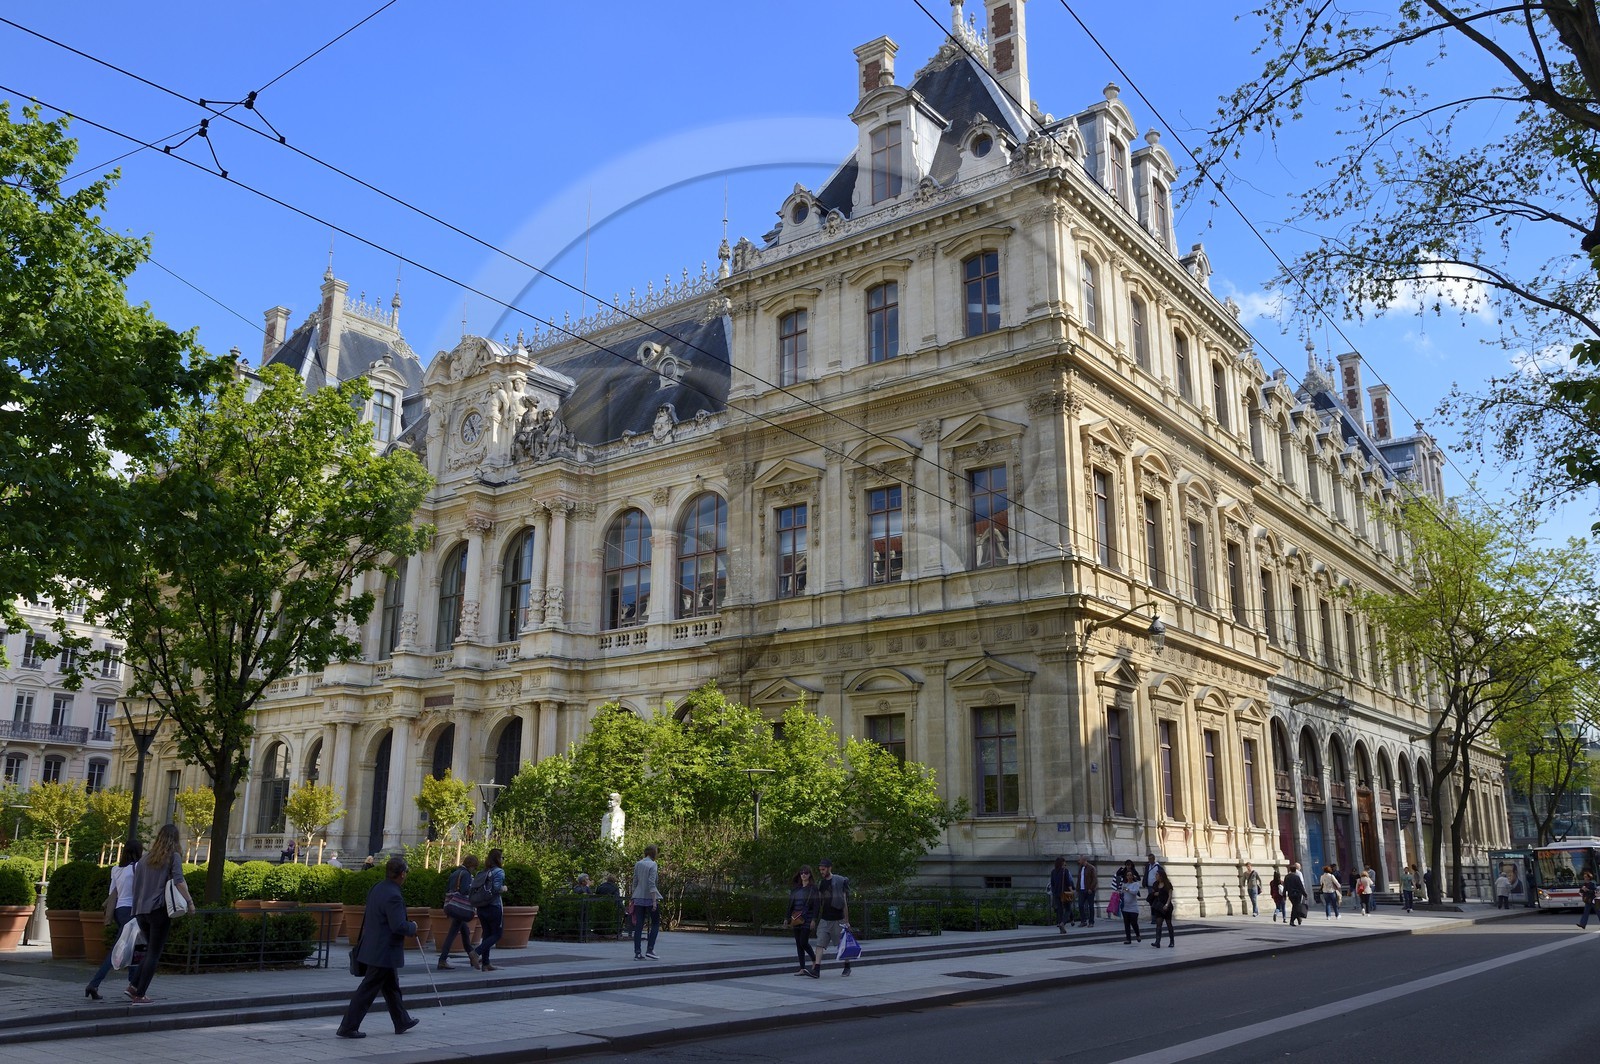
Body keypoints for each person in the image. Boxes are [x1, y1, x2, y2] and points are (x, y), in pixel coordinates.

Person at [336, 855, 420, 1039]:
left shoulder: (378, 888)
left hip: (375, 947)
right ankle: (348, 1026)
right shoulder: (394, 895)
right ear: (402, 874)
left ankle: (401, 1020)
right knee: (368, 989)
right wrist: (413, 927)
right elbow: (398, 925)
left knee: (391, 987)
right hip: (384, 950)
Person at [127, 824, 193, 1004]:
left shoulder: (144, 859)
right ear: (176, 839)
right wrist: (189, 902)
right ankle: (140, 993)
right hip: (158, 910)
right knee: (154, 953)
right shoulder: (173, 857)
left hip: (141, 911)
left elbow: (137, 887)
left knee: (150, 950)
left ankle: (133, 986)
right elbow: (179, 881)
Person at [85, 840, 142, 1000]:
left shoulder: (116, 869)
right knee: (121, 948)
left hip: (119, 910)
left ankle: (133, 985)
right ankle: (95, 983)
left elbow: (112, 893)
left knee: (133, 948)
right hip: (132, 911)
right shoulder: (137, 867)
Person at [436, 853, 478, 970]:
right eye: (474, 867)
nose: (474, 870)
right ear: (471, 866)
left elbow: (449, 889)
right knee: (452, 934)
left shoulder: (455, 873)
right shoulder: (466, 874)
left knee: (465, 932)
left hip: (452, 905)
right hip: (460, 907)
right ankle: (442, 960)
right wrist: (473, 888)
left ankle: (471, 955)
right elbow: (464, 890)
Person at [811, 858, 851, 977]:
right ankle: (817, 969)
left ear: (829, 868)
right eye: (820, 870)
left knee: (841, 945)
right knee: (820, 943)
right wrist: (814, 918)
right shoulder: (822, 883)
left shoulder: (839, 881)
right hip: (825, 919)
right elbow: (819, 901)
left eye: (823, 869)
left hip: (838, 919)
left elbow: (844, 902)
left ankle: (847, 966)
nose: (821, 872)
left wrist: (847, 921)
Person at [470, 848, 506, 971]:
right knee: (497, 934)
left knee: (487, 934)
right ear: (497, 859)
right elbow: (496, 889)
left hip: (481, 907)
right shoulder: (499, 872)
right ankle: (476, 953)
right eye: (502, 857)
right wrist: (504, 888)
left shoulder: (483, 872)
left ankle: (486, 963)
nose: (502, 859)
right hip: (494, 907)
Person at [632, 844, 663, 961]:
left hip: (638, 897)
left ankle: (637, 952)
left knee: (639, 925)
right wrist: (654, 901)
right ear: (654, 853)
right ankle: (650, 949)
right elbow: (651, 883)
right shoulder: (653, 864)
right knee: (655, 923)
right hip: (650, 897)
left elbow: (635, 881)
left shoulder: (638, 864)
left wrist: (633, 896)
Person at [787, 866, 819, 976]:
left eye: (806, 873)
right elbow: (790, 904)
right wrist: (787, 918)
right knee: (798, 943)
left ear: (809, 874)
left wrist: (814, 919)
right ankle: (802, 968)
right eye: (801, 873)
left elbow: (816, 905)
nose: (803, 875)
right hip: (796, 917)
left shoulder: (813, 888)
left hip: (807, 917)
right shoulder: (796, 889)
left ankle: (815, 959)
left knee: (803, 942)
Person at [1148, 869, 1176, 948]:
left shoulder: (1168, 884)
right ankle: (1157, 942)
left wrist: (1167, 904)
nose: (1155, 876)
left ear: (1161, 876)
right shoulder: (1155, 884)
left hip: (1167, 906)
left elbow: (1170, 895)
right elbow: (1153, 893)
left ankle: (1172, 942)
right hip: (1159, 907)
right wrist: (1154, 894)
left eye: (1157, 875)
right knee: (1158, 924)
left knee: (1168, 923)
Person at [1118, 862, 1143, 944]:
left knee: (1134, 922)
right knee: (1126, 924)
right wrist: (1120, 892)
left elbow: (1135, 892)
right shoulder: (1124, 884)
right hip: (1125, 907)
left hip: (1133, 907)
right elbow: (1122, 893)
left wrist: (1128, 890)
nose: (1129, 877)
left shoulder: (1135, 884)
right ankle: (1128, 938)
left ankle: (1138, 934)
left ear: (1133, 876)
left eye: (1130, 875)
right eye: (1127, 875)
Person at [1048, 856, 1075, 933]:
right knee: (1068, 909)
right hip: (1065, 892)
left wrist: (1054, 892)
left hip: (1056, 893)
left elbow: (1052, 883)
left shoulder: (1053, 872)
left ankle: (1060, 925)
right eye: (1064, 862)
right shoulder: (1065, 871)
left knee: (1059, 910)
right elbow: (1068, 882)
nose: (1065, 863)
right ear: (1062, 863)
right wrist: (1071, 890)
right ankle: (1063, 923)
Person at [1076, 855, 1099, 927]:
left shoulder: (1091, 868)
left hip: (1089, 891)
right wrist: (1077, 889)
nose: (1078, 861)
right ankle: (1083, 921)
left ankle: (1091, 922)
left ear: (1084, 860)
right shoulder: (1080, 868)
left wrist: (1091, 888)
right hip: (1082, 890)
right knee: (1080, 905)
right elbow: (1079, 879)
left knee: (1091, 906)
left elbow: (1095, 880)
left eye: (1080, 860)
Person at [1284, 862, 1309, 926]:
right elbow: (1301, 886)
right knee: (1295, 907)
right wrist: (1305, 894)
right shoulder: (1296, 877)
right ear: (1295, 870)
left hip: (1290, 894)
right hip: (1297, 894)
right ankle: (1292, 921)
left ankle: (1298, 919)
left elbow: (1285, 887)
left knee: (1295, 906)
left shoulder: (1286, 877)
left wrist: (1284, 895)